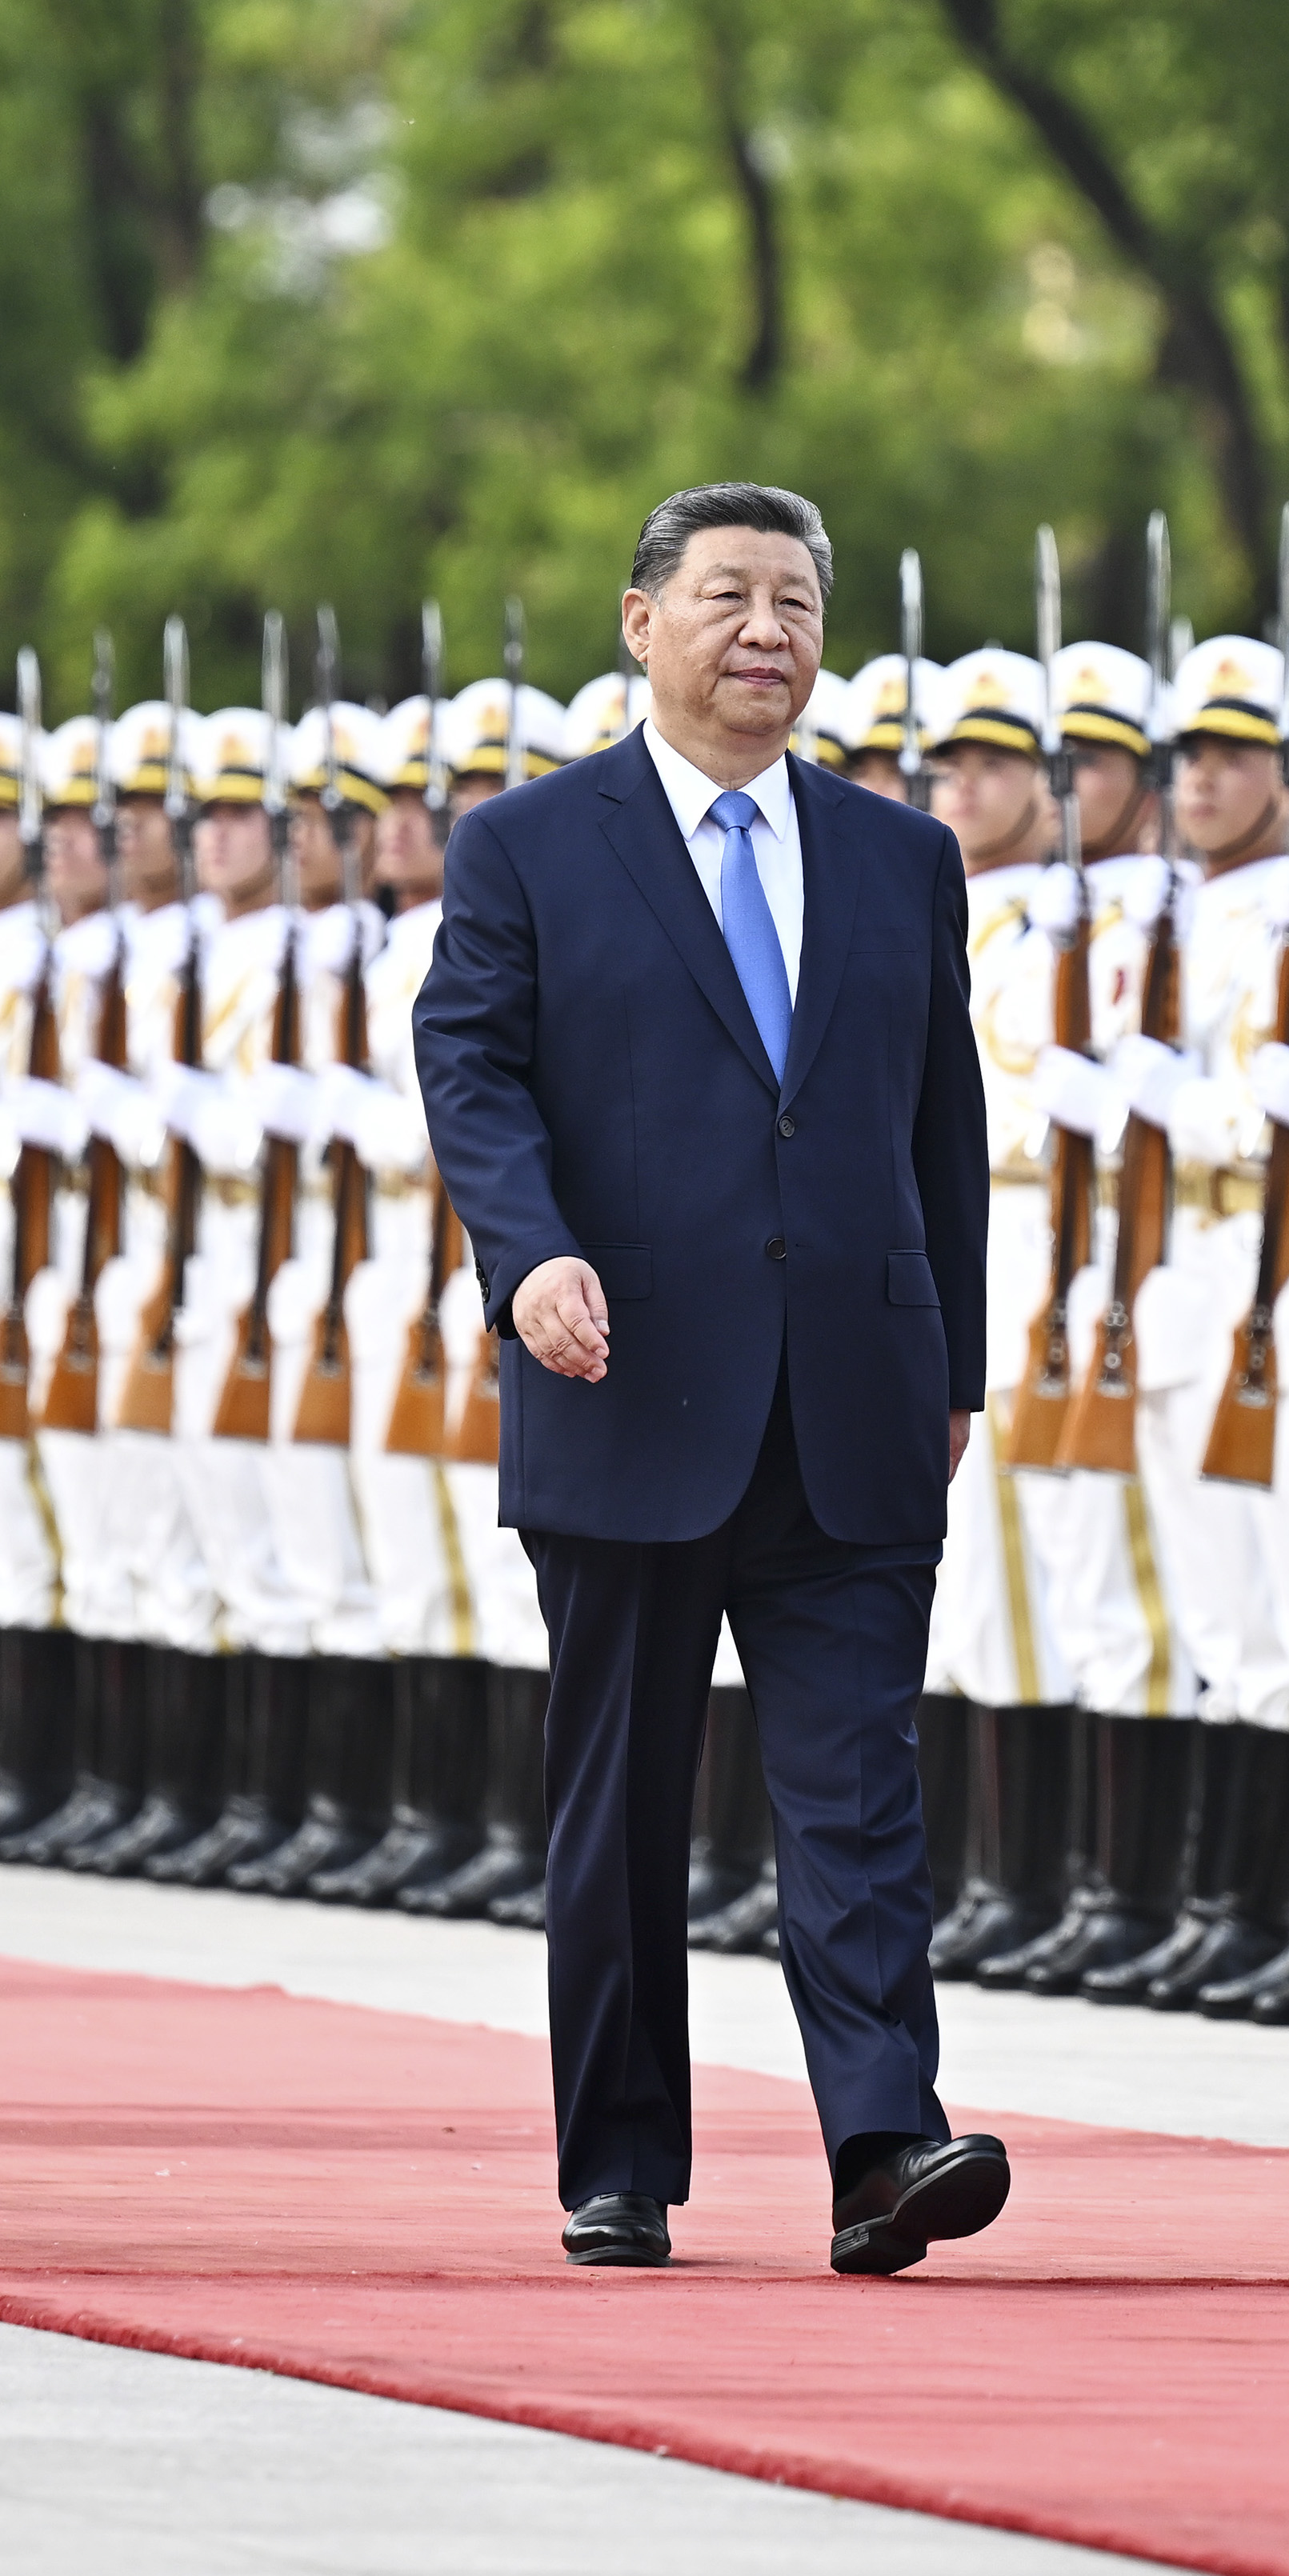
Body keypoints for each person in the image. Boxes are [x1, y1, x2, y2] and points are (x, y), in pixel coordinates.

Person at [416, 481, 1001, 2276]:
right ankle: (619, 2161)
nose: (768, 631)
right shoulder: (529, 847)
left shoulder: (900, 857)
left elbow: (943, 1125)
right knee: (620, 1804)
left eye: (797, 603)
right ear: (642, 621)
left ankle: (883, 2147)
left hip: (855, 1397)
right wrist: (530, 1258)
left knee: (860, 1794)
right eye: (730, 596)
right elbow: (471, 1070)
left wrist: (957, 1364)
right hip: (629, 1383)